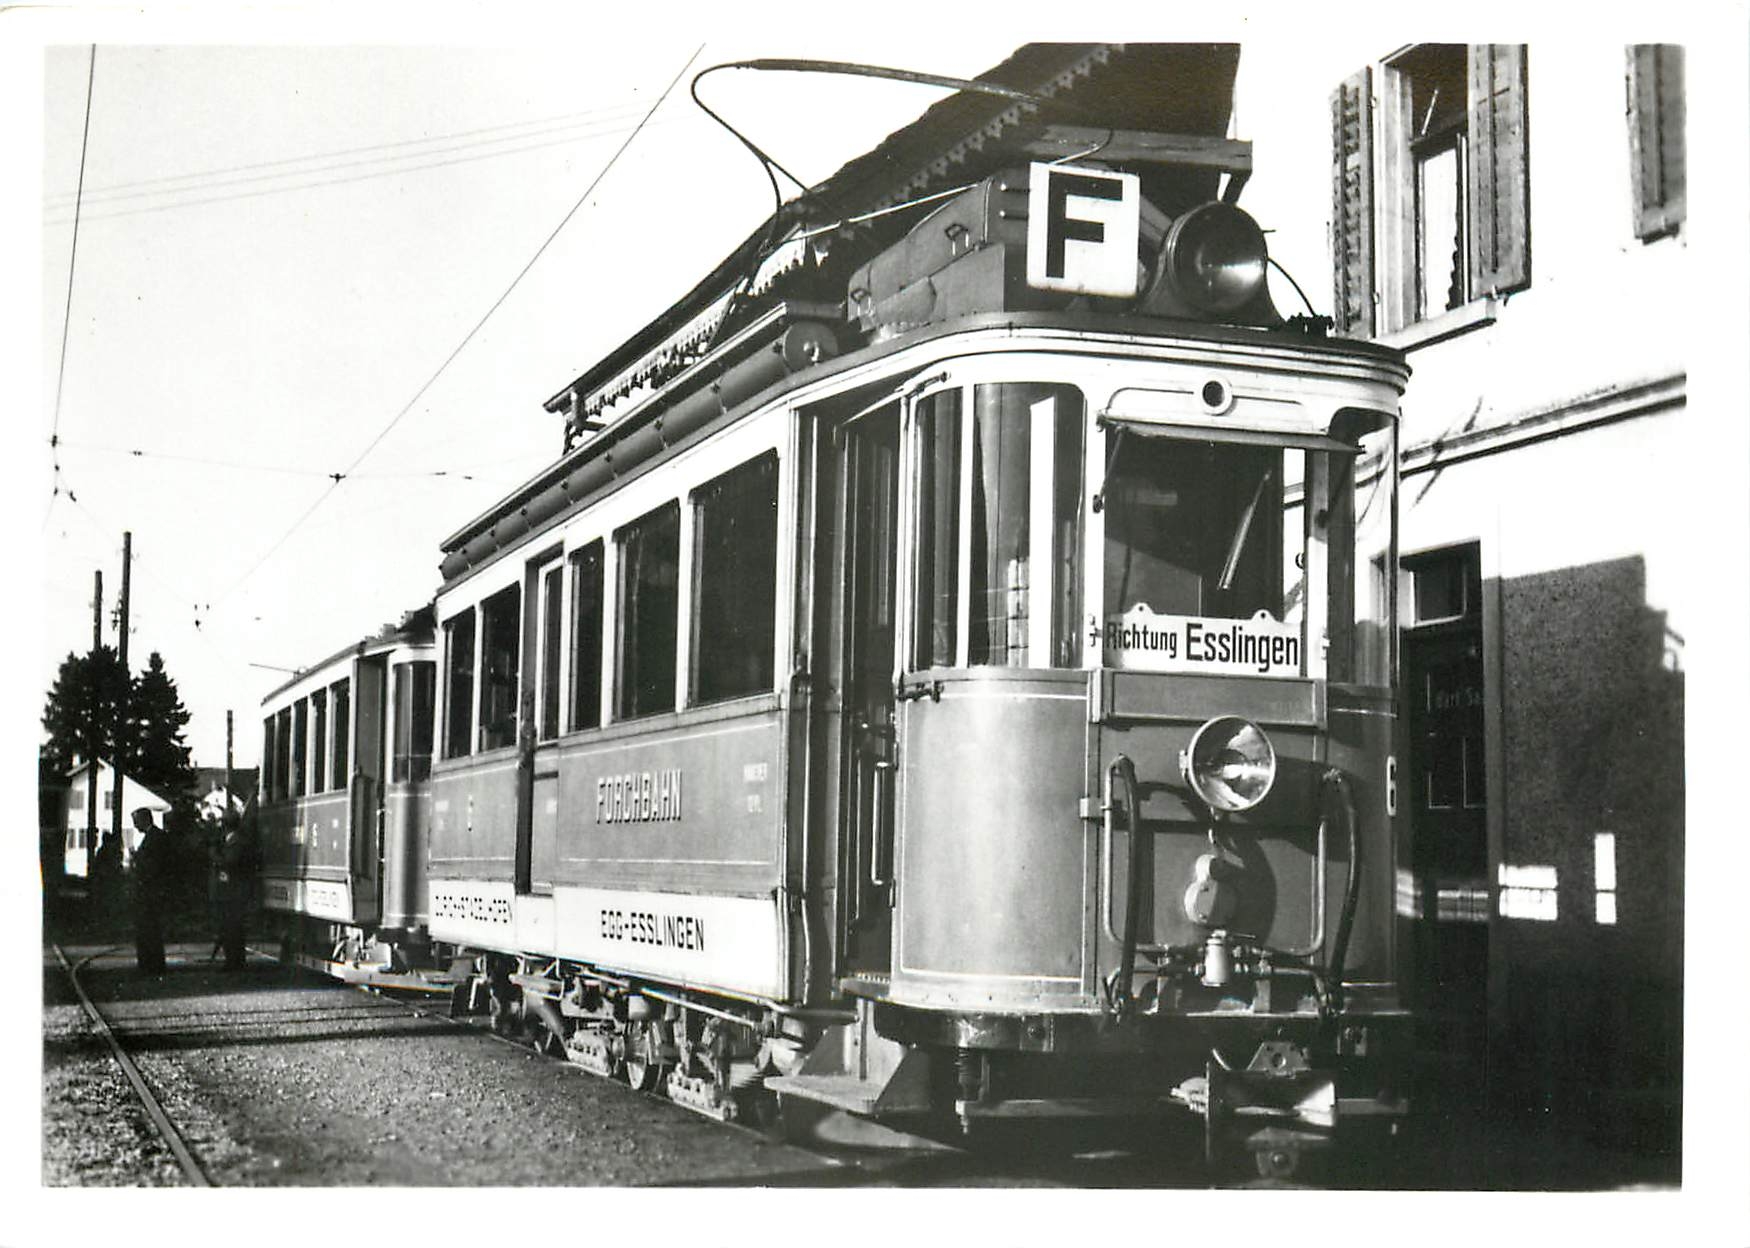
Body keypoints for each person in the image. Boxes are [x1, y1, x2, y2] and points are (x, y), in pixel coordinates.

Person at [130, 807, 168, 974]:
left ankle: (151, 965)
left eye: (136, 821)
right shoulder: (154, 837)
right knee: (149, 928)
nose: (135, 825)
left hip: (151, 891)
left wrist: (136, 858)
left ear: (145, 820)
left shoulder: (156, 838)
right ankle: (150, 963)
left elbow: (154, 865)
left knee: (149, 928)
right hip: (149, 891)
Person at [215, 808, 253, 971]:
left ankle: (234, 961)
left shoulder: (236, 842)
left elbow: (229, 863)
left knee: (232, 928)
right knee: (231, 927)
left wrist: (215, 857)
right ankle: (234, 960)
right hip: (233, 891)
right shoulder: (233, 841)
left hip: (234, 892)